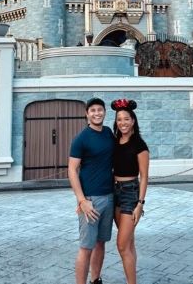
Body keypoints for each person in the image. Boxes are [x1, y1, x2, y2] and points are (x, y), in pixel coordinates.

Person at [68, 97, 115, 284]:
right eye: (93, 110)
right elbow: (72, 169)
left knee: (100, 243)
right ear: (87, 114)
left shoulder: (109, 133)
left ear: (104, 112)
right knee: (86, 247)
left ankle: (96, 279)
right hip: (90, 200)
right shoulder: (81, 139)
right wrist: (81, 200)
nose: (97, 113)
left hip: (109, 197)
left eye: (100, 109)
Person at [112, 98, 149, 284]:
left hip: (130, 194)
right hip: (114, 193)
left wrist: (140, 204)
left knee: (121, 245)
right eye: (119, 119)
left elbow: (144, 176)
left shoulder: (140, 145)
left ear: (133, 121)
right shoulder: (115, 141)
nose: (123, 123)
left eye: (126, 119)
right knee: (129, 243)